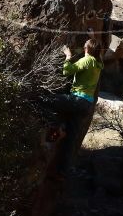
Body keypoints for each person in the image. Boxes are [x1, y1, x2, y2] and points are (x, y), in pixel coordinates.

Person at [43, 38, 104, 179]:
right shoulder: (99, 63)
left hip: (77, 100)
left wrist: (68, 56)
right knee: (71, 140)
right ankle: (63, 171)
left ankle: (57, 127)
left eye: (84, 47)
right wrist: (93, 35)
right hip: (86, 105)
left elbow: (67, 71)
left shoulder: (87, 60)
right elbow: (99, 53)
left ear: (87, 49)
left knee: (46, 100)